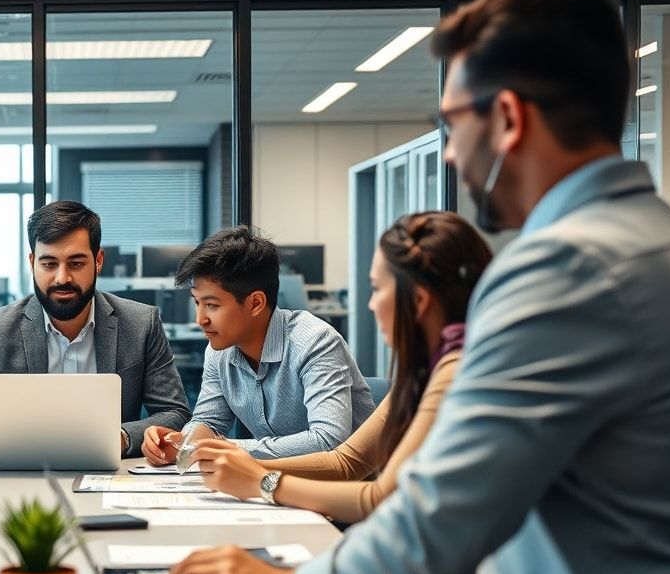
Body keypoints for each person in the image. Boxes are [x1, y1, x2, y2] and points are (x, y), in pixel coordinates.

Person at [156, 0, 670, 574]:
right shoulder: (651, 244)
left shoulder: (564, 271)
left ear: (507, 119)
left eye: (451, 124)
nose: (449, 155)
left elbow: (432, 524)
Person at [194, 212, 491, 524]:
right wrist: (240, 465)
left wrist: (261, 480)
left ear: (418, 301)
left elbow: (377, 498)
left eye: (377, 289)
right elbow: (347, 463)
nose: (371, 305)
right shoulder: (423, 370)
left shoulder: (455, 373)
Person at [0, 200, 190, 457]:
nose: (62, 278)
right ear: (32, 263)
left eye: (76, 264)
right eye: (49, 264)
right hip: (25, 468)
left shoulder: (141, 323)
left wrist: (120, 438)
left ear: (98, 261)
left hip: (111, 471)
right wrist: (26, 439)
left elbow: (174, 413)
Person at [142, 226, 374, 466]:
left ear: (255, 303)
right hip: (274, 478)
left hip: (351, 481)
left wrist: (225, 448)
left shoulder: (316, 342)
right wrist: (181, 444)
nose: (200, 319)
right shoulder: (219, 351)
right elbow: (209, 422)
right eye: (197, 303)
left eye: (212, 305)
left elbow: (329, 440)